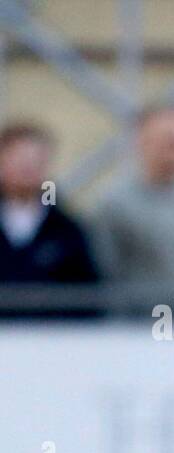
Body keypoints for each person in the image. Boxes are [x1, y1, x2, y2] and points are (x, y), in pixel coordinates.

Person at [94, 105, 174, 312]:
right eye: (170, 143)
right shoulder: (115, 205)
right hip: (137, 335)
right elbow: (106, 277)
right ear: (142, 142)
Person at [0, 121, 98, 315]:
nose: (26, 169)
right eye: (19, 160)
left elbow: (87, 295)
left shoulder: (67, 231)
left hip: (51, 339)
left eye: (35, 161)